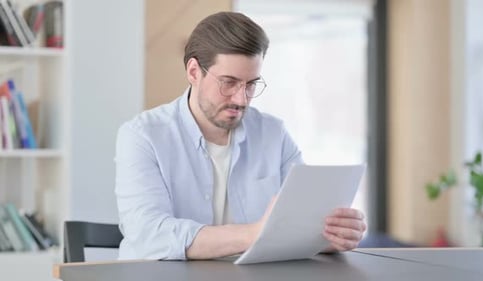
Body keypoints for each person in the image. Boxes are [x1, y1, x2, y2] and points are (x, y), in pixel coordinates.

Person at [115, 11, 366, 260]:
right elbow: (149, 236)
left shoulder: (274, 135)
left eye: (251, 84)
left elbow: (300, 224)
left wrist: (330, 234)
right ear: (193, 72)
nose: (241, 98)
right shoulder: (142, 136)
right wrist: (255, 234)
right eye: (229, 82)